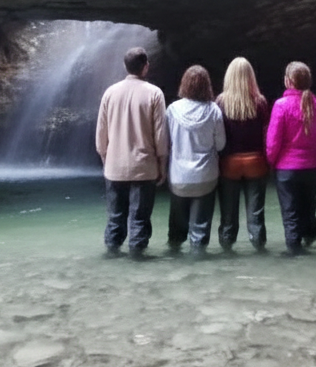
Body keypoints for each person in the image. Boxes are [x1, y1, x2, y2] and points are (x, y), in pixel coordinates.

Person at [95, 47, 168, 259]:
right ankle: (137, 259)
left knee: (115, 217)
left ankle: (111, 255)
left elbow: (101, 133)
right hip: (144, 167)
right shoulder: (154, 93)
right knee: (140, 218)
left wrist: (105, 159)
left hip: (114, 166)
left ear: (124, 67)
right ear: (146, 67)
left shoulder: (110, 92)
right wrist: (162, 165)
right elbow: (160, 135)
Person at [266, 61, 316, 256]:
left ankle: (294, 251)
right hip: (312, 166)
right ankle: (310, 240)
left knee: (290, 212)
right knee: (308, 207)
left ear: (288, 81)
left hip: (287, 168)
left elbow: (273, 141)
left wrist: (271, 162)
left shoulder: (281, 105)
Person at [166, 65, 226, 256]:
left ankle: (174, 261)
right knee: (200, 229)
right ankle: (198, 267)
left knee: (176, 229)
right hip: (205, 177)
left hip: (178, 177)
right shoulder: (214, 110)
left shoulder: (172, 110)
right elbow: (221, 145)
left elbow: (165, 143)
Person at [215, 57, 270, 251]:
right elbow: (266, 135)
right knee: (256, 214)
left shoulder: (220, 102)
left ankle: (227, 250)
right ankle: (259, 248)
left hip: (230, 163)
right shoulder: (260, 102)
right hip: (255, 162)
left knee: (228, 215)